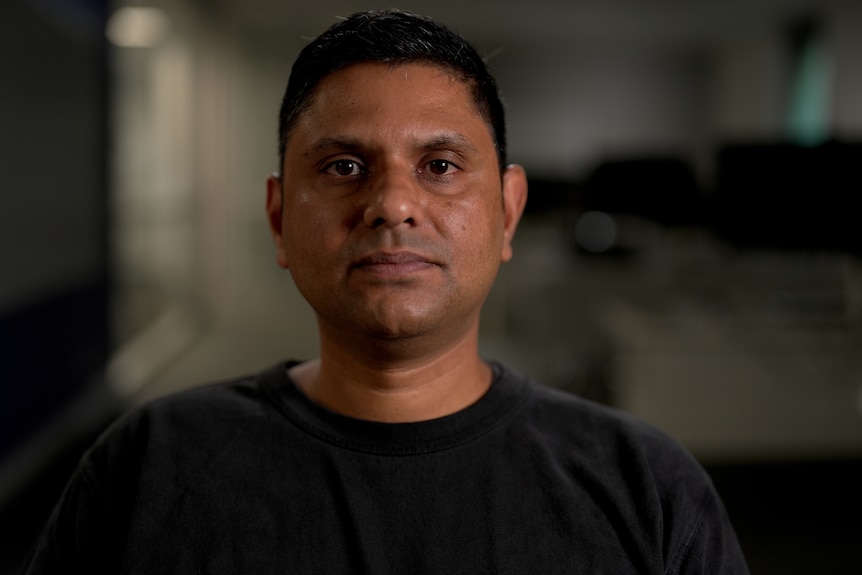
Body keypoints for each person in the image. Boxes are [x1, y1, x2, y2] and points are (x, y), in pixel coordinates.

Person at [22, 9, 749, 574]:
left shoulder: (647, 487)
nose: (393, 204)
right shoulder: (147, 467)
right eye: (342, 166)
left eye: (439, 164)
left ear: (508, 211)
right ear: (279, 218)